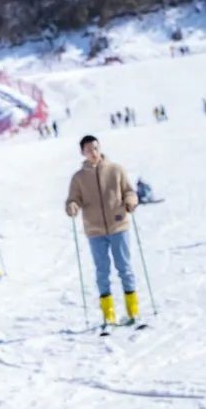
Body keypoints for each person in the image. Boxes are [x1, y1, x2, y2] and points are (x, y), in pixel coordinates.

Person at [66, 135, 140, 328]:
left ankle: (133, 311)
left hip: (119, 225)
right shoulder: (79, 178)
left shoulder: (116, 170)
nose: (93, 153)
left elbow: (129, 191)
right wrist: (72, 206)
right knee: (102, 271)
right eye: (89, 150)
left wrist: (130, 201)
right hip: (95, 230)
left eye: (96, 148)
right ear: (82, 152)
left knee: (124, 268)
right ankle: (109, 315)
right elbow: (73, 199)